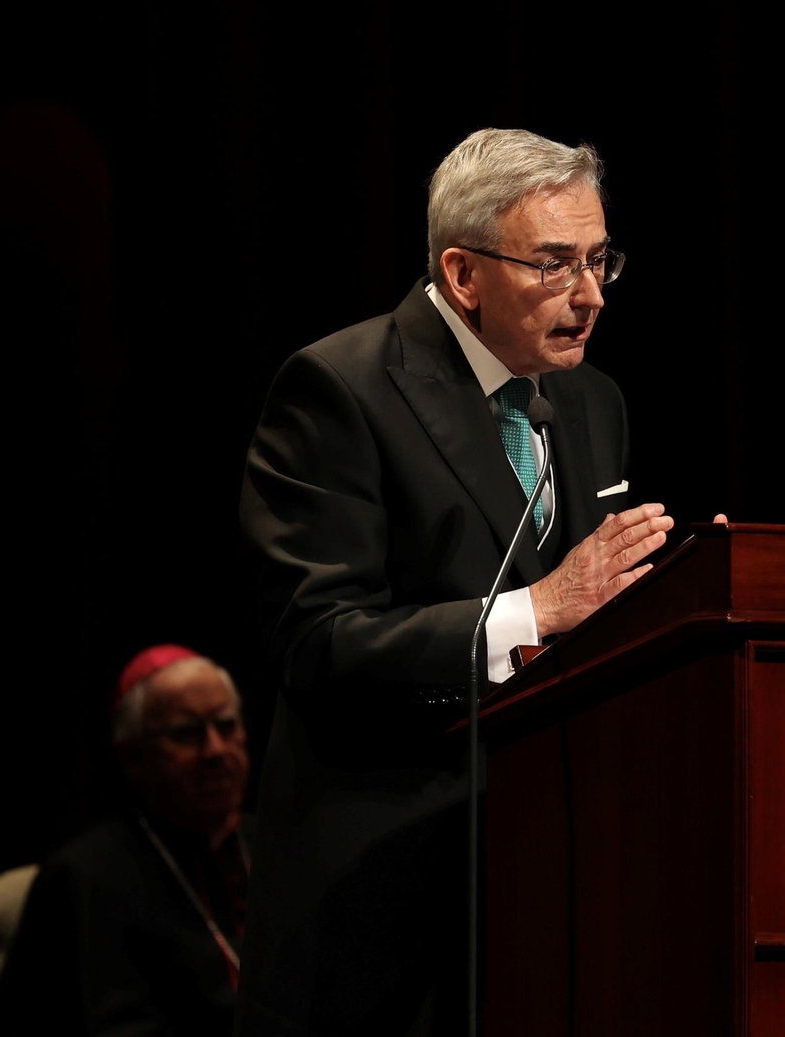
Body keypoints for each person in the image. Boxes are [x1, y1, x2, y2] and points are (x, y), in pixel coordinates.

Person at [236, 129, 695, 1036]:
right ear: (462, 273)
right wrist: (537, 609)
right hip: (383, 898)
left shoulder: (594, 400)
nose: (592, 295)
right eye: (555, 264)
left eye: (600, 260)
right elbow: (316, 639)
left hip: (550, 889)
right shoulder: (339, 389)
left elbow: (590, 612)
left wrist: (678, 591)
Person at [0, 645, 252, 1037]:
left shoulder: (275, 846)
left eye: (226, 725)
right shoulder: (82, 877)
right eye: (186, 734)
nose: (215, 750)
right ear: (134, 756)